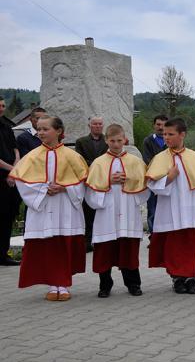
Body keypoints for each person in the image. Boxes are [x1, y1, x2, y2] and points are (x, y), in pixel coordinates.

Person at [9, 116, 88, 300]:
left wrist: (65, 187)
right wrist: (43, 189)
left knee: (63, 245)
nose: (40, 133)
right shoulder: (32, 156)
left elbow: (83, 182)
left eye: (45, 129)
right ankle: (53, 284)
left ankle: (64, 285)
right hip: (43, 207)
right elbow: (22, 182)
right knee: (48, 246)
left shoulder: (73, 156)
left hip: (65, 206)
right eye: (39, 129)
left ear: (58, 131)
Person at [145, 117, 195, 294]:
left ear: (182, 134)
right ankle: (177, 278)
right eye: (164, 134)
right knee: (174, 247)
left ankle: (191, 278)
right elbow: (151, 185)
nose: (166, 137)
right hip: (169, 210)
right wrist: (168, 178)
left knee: (191, 245)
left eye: (171, 134)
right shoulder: (160, 158)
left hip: (192, 209)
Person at [85, 124, 150, 298]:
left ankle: (133, 284)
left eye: (119, 140)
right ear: (106, 140)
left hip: (128, 211)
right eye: (112, 141)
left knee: (129, 249)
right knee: (105, 250)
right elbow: (90, 191)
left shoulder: (135, 162)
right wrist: (108, 181)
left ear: (125, 140)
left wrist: (130, 182)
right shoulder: (99, 163)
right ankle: (105, 285)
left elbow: (145, 187)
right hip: (107, 213)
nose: (115, 144)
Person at [75, 116, 108, 252]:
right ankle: (87, 240)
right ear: (89, 125)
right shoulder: (81, 141)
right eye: (95, 124)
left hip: (105, 179)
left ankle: (102, 240)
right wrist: (94, 166)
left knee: (103, 210)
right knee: (87, 210)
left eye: (100, 124)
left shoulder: (108, 140)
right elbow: (80, 160)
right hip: (88, 180)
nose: (97, 126)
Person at [0, 96, 21, 266]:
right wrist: (12, 170)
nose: (1, 108)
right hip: (2, 176)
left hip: (10, 178)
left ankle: (3, 254)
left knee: (8, 216)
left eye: (3, 105)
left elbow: (15, 150)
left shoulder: (7, 127)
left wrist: (14, 169)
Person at [142, 114, 168, 234]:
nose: (161, 127)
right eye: (158, 124)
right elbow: (148, 160)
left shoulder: (170, 140)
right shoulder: (148, 141)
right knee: (152, 208)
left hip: (170, 180)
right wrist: (160, 174)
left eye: (163, 125)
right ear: (154, 125)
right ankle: (153, 235)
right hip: (154, 179)